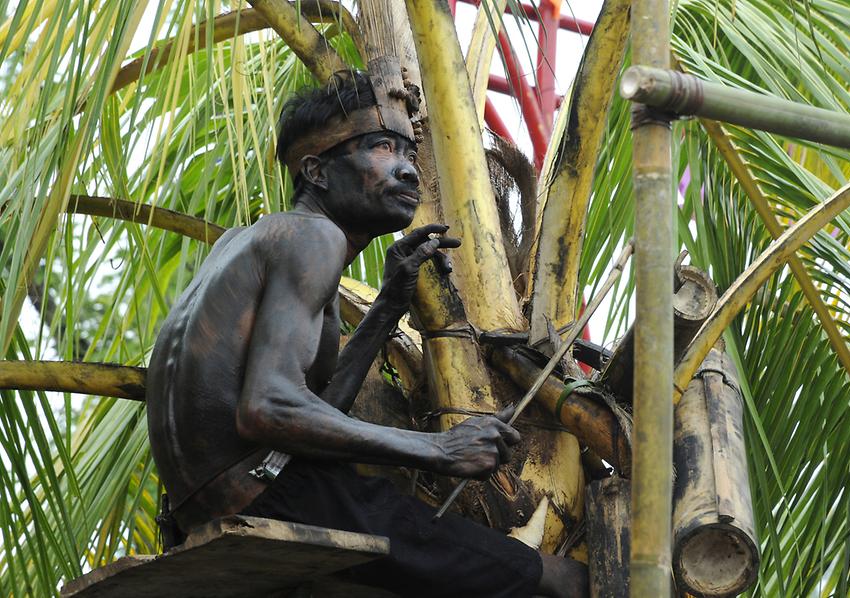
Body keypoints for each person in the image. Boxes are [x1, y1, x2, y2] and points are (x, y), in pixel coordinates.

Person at [145, 70, 587, 598]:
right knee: (553, 578)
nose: (407, 169)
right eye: (380, 147)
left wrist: (387, 307)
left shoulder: (256, 242)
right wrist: (438, 449)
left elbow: (310, 418)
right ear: (317, 171)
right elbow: (267, 407)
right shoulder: (313, 238)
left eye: (407, 149)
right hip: (279, 495)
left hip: (227, 499)